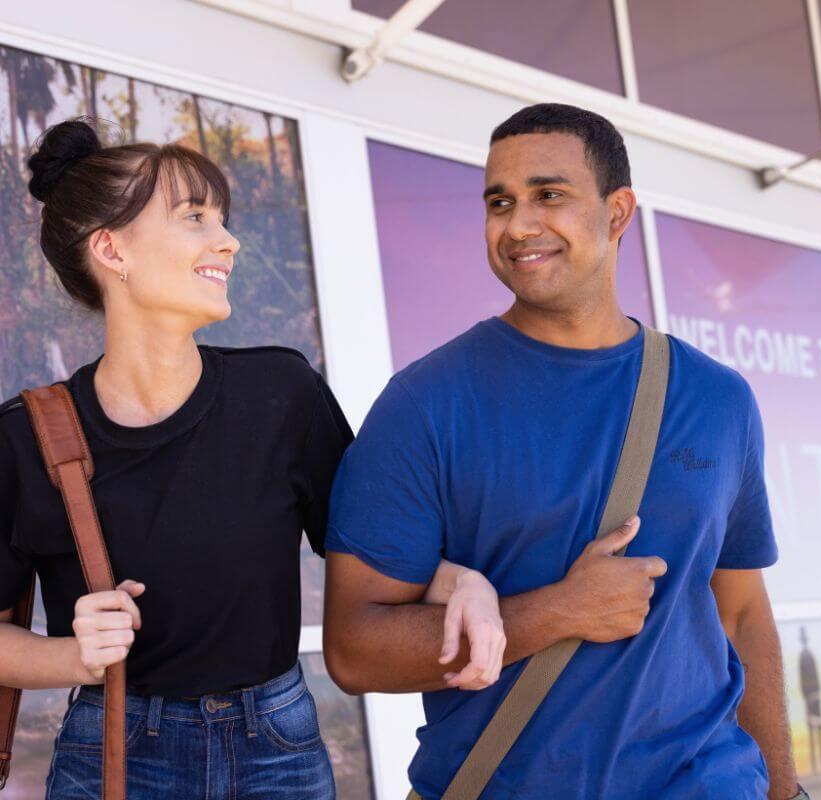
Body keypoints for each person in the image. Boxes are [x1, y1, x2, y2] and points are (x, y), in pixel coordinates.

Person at [0, 119, 504, 800]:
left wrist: (463, 584)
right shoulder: (24, 438)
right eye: (194, 217)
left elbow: (372, 553)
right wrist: (70, 655)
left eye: (222, 219)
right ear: (112, 249)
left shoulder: (281, 394)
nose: (228, 239)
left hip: (278, 749)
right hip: (113, 751)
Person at [323, 104, 806, 799]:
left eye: (548, 195)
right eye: (499, 202)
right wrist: (554, 612)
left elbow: (741, 612)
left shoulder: (718, 400)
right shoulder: (425, 405)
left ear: (616, 214)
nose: (518, 224)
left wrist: (784, 790)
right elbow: (354, 650)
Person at [798, 626, 821, 775]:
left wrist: (815, 695)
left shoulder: (807, 655)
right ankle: (816, 763)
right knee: (812, 729)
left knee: (817, 728)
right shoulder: (804, 655)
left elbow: (813, 678)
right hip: (810, 697)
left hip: (813, 697)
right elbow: (804, 679)